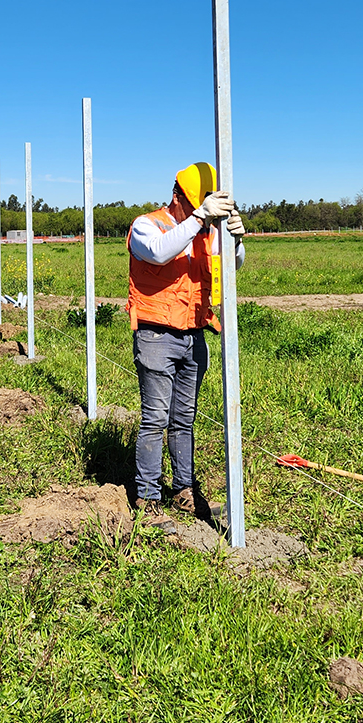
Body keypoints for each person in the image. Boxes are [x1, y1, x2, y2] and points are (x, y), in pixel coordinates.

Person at [126, 162, 246, 519]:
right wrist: (199, 217)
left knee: (184, 419)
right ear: (177, 196)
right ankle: (147, 497)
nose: (203, 216)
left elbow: (232, 265)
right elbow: (159, 252)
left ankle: (183, 491)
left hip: (194, 335)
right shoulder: (147, 226)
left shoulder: (205, 232)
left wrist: (236, 241)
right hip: (156, 336)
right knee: (155, 419)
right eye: (196, 206)